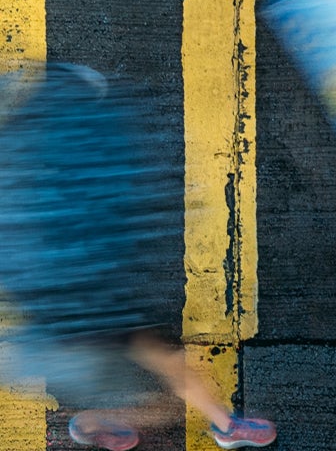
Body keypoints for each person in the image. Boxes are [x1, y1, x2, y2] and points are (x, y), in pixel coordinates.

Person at [0, 65, 276, 450]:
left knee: (151, 367)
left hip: (60, 313)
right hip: (106, 302)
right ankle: (219, 427)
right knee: (165, 383)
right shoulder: (94, 144)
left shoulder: (15, 152)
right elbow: (127, 205)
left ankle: (98, 423)